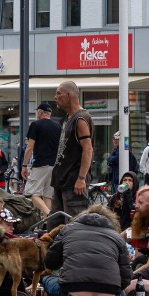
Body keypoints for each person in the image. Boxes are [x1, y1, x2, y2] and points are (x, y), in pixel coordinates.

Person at [41, 204, 130, 296]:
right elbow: (126, 277)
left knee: (47, 279)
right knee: (122, 293)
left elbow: (50, 262)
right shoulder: (117, 237)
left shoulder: (67, 230)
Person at [51, 80, 94, 218]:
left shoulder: (80, 118)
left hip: (73, 183)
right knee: (54, 225)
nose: (55, 97)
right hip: (62, 181)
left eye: (58, 93)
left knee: (74, 225)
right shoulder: (68, 118)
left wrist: (81, 178)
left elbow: (88, 149)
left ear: (69, 95)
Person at [22, 101, 61, 216]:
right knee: (47, 196)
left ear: (40, 113)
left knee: (31, 193)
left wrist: (24, 165)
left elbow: (29, 147)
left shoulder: (36, 125)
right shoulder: (58, 126)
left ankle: (49, 214)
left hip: (41, 164)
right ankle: (47, 225)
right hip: (54, 165)